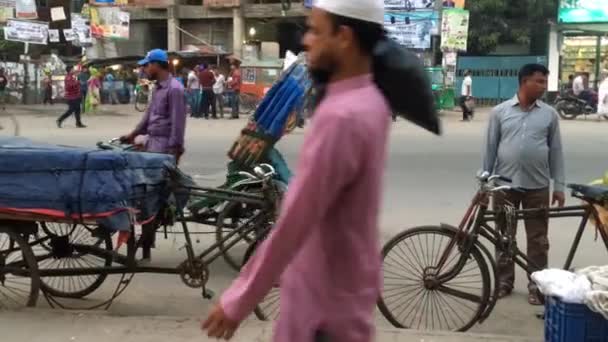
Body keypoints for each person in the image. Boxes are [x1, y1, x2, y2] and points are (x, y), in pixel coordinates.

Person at [201, 0, 392, 341]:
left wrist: (239, 298)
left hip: (319, 316)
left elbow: (296, 220)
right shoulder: (371, 100)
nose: (306, 40)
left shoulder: (342, 116)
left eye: (316, 31)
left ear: (344, 37)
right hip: (345, 303)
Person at [482, 63, 565, 306]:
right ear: (524, 82)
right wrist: (485, 185)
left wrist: (558, 185)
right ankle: (504, 282)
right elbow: (490, 150)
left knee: (538, 239)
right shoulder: (500, 112)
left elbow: (556, 152)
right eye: (539, 81)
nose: (543, 87)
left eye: (544, 82)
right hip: (504, 187)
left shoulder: (549, 114)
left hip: (537, 186)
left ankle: (536, 285)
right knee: (504, 237)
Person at [120, 49, 187, 261]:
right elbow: (148, 116)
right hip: (150, 144)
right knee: (140, 194)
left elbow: (178, 123)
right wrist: (133, 134)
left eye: (147, 65)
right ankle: (141, 245)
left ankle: (146, 246)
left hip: (163, 148)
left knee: (150, 197)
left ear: (157, 65)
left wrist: (173, 153)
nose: (144, 69)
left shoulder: (175, 89)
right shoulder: (157, 88)